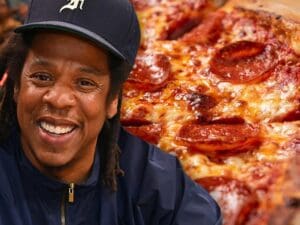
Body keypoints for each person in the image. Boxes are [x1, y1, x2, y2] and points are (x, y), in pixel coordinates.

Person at [0, 0, 222, 224]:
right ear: (16, 84)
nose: (59, 99)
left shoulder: (156, 182)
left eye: (85, 83)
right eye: (42, 77)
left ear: (113, 100)